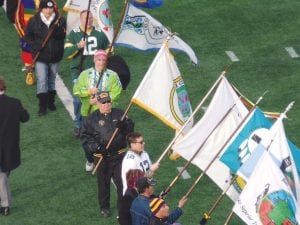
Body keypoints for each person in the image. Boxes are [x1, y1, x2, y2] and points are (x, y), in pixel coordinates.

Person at [80, 91, 134, 217]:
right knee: (103, 184)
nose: (106, 105)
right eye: (103, 102)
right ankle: (104, 207)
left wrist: (125, 125)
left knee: (122, 183)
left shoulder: (120, 114)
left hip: (119, 155)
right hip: (102, 158)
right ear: (98, 103)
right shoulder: (91, 119)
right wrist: (98, 147)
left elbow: (130, 130)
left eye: (108, 102)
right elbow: (85, 138)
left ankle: (123, 206)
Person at [73, 49, 123, 171]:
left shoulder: (112, 75)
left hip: (106, 112)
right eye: (99, 60)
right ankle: (90, 159)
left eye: (104, 60)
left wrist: (100, 100)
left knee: (106, 138)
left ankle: (107, 159)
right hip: (89, 113)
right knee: (87, 139)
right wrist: (88, 93)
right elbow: (76, 89)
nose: (101, 62)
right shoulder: (85, 74)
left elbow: (117, 91)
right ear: (94, 61)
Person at [64, 10, 109, 138]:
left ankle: (97, 125)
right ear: (80, 19)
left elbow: (109, 49)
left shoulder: (100, 34)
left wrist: (104, 55)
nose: (88, 21)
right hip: (79, 73)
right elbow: (66, 54)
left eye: (90, 18)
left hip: (97, 73)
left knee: (99, 100)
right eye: (85, 18)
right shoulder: (74, 34)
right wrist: (78, 46)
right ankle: (78, 125)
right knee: (79, 100)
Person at [24, 0, 66, 116]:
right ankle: (42, 106)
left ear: (54, 8)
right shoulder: (33, 21)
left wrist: (56, 31)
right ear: (41, 9)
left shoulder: (61, 20)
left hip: (55, 56)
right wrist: (35, 45)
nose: (48, 10)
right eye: (46, 8)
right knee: (42, 81)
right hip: (41, 57)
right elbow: (27, 36)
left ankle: (51, 102)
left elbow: (62, 36)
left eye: (50, 8)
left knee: (51, 80)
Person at [0, 76, 30, 216]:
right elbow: (25, 118)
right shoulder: (15, 103)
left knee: (1, 176)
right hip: (10, 147)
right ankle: (5, 204)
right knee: (3, 175)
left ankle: (5, 204)